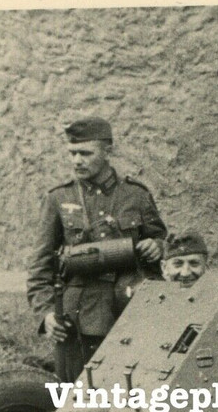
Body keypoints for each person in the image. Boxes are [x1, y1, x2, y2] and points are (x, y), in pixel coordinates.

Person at [26, 116, 167, 381]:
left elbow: (159, 238)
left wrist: (156, 246)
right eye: (72, 153)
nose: (76, 160)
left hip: (131, 312)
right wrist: (46, 314)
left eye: (85, 153)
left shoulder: (135, 195)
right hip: (79, 321)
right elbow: (40, 265)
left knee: (135, 389)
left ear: (107, 151)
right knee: (78, 397)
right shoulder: (59, 198)